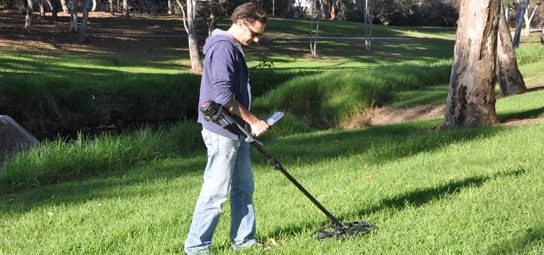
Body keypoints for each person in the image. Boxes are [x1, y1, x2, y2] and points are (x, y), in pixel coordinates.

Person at [184, 2, 269, 254]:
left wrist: (247, 125)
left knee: (244, 187)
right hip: (223, 131)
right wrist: (254, 121)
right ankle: (196, 247)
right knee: (215, 192)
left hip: (238, 131)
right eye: (254, 33)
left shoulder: (233, 47)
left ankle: (244, 241)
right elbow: (222, 95)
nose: (256, 40)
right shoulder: (223, 48)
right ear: (240, 23)